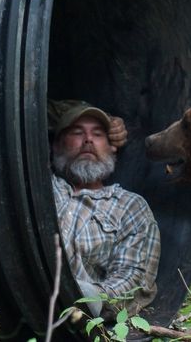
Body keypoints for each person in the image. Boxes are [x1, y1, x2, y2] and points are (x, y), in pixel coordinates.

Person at [48, 100, 160, 317]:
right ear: (56, 144)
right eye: (77, 132)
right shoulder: (39, 183)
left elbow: (133, 278)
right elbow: (22, 103)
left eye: (98, 134)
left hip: (71, 315)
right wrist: (106, 116)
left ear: (112, 148)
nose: (88, 139)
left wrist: (87, 297)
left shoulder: (129, 206)